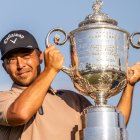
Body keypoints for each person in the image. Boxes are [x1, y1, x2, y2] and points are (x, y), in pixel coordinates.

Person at [0, 29, 138, 140]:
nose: (20, 65)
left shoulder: (71, 99)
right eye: (11, 59)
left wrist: (129, 86)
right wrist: (50, 70)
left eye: (26, 56)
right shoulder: (4, 98)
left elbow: (111, 127)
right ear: (4, 67)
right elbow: (20, 114)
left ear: (40, 57)